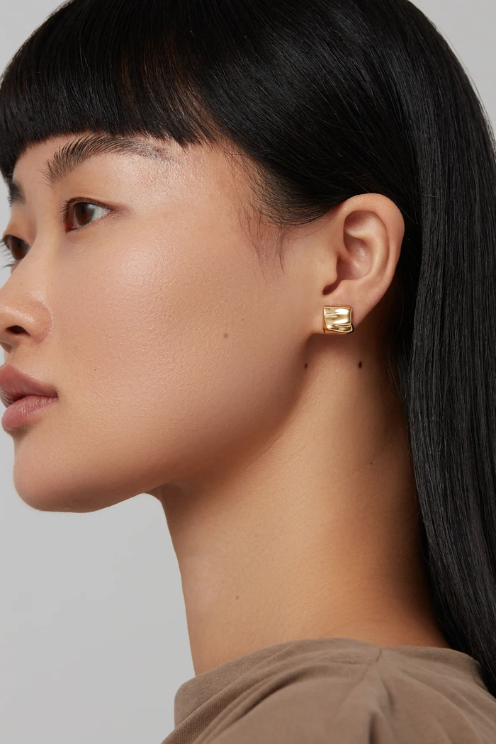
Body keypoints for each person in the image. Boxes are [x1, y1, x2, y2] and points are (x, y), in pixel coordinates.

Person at [0, 0, 495, 741]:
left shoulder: (331, 724)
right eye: (16, 244)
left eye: (86, 212)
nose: (11, 307)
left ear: (345, 266)